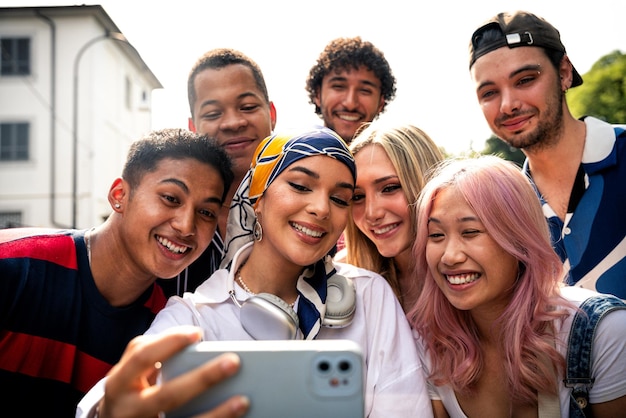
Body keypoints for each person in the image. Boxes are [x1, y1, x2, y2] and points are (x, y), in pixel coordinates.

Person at [79, 127, 433, 418]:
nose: (321, 208)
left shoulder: (370, 295)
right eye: (300, 185)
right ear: (257, 197)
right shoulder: (194, 317)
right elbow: (106, 405)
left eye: (340, 198)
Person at [0, 128, 242, 416]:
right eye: (170, 198)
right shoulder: (15, 266)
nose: (187, 226)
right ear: (119, 195)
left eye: (206, 213)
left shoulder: (168, 324)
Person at [409, 156, 626, 417]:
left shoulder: (604, 331)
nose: (449, 256)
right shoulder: (431, 341)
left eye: (470, 232)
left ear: (519, 239)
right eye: (436, 236)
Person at [468, 11, 626, 299]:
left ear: (564, 72)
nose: (508, 105)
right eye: (489, 93)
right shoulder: (504, 208)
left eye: (525, 79)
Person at [157, 48, 277, 297]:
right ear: (193, 127)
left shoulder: (306, 207)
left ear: (271, 114)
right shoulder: (165, 217)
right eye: (213, 114)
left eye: (247, 106)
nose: (233, 122)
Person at [339, 122, 444, 312]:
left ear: (425, 183)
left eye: (389, 188)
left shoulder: (470, 268)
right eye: (357, 197)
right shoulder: (342, 278)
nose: (372, 213)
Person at [305, 36, 396, 143]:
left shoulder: (401, 158)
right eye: (339, 87)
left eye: (365, 91)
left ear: (381, 102)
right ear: (317, 94)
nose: (350, 104)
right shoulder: (288, 155)